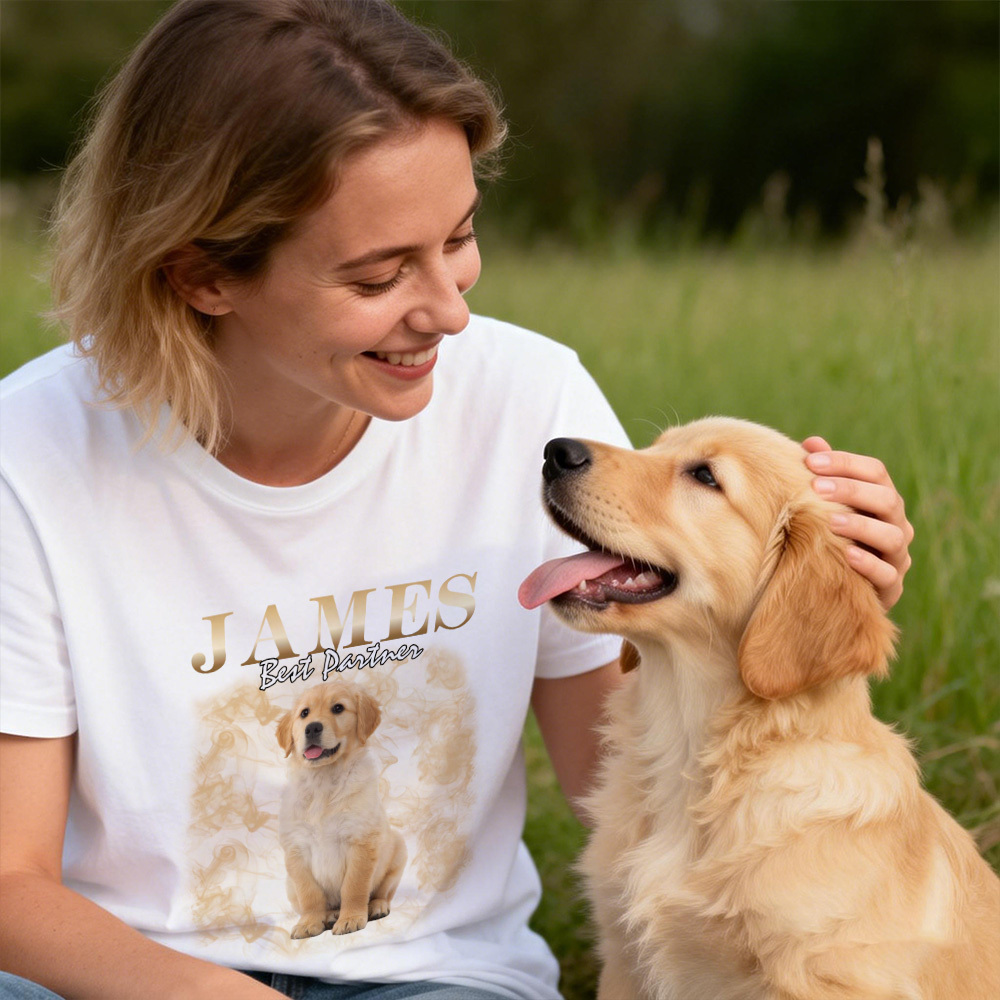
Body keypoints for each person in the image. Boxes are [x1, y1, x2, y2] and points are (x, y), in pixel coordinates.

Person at [0, 2, 914, 999]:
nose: (449, 308)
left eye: (460, 238)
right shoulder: (30, 454)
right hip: (116, 976)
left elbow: (630, 791)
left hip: (436, 979)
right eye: (381, 272)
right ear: (202, 273)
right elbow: (10, 884)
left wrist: (801, 594)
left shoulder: (530, 404)